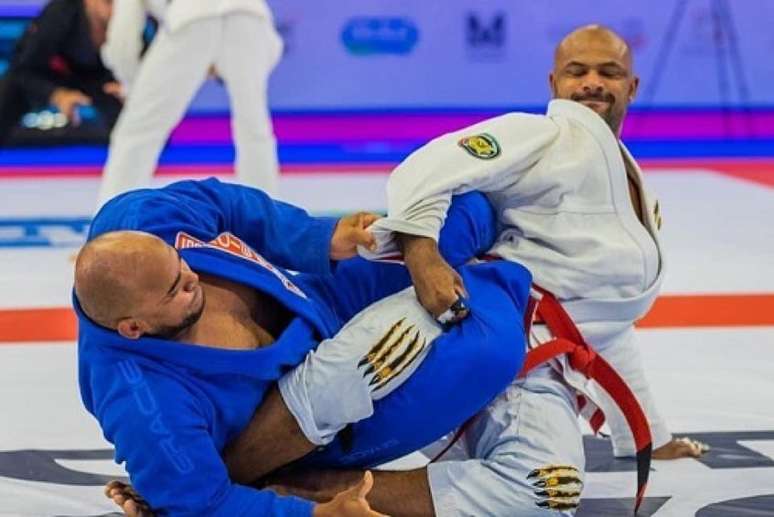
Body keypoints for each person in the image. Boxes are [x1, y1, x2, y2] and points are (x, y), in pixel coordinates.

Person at [76, 178, 532, 515]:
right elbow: (205, 505)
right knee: (490, 350)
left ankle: (517, 282)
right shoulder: (145, 403)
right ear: (133, 328)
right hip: (308, 422)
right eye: (176, 291)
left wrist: (318, 239)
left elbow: (229, 205)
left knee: (464, 213)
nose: (192, 278)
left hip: (317, 297)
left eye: (182, 265)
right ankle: (291, 481)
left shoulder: (142, 221)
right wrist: (314, 514)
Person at [95, 0, 282, 208]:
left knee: (137, 132)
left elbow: (124, 37)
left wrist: (130, 84)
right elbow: (272, 46)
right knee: (255, 130)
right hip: (250, 16)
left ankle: (113, 221)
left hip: (190, 16)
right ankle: (266, 220)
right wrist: (225, 63)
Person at [0, 0, 123, 146]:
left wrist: (129, 85)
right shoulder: (60, 12)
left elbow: (143, 63)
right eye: (108, 2)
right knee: (9, 94)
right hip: (45, 74)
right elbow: (23, 67)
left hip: (98, 78)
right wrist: (56, 94)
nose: (115, 9)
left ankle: (131, 164)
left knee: (129, 109)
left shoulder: (131, 20)